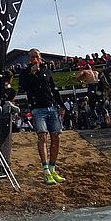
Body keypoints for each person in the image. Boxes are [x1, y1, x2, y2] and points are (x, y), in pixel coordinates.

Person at [19, 51, 67, 184]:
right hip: (37, 109)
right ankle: (46, 170)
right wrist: (32, 73)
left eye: (36, 57)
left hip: (51, 107)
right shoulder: (25, 73)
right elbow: (23, 87)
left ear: (40, 59)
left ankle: (52, 168)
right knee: (42, 136)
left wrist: (62, 105)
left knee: (56, 137)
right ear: (28, 60)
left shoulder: (47, 70)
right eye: (32, 57)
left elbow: (54, 89)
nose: (34, 59)